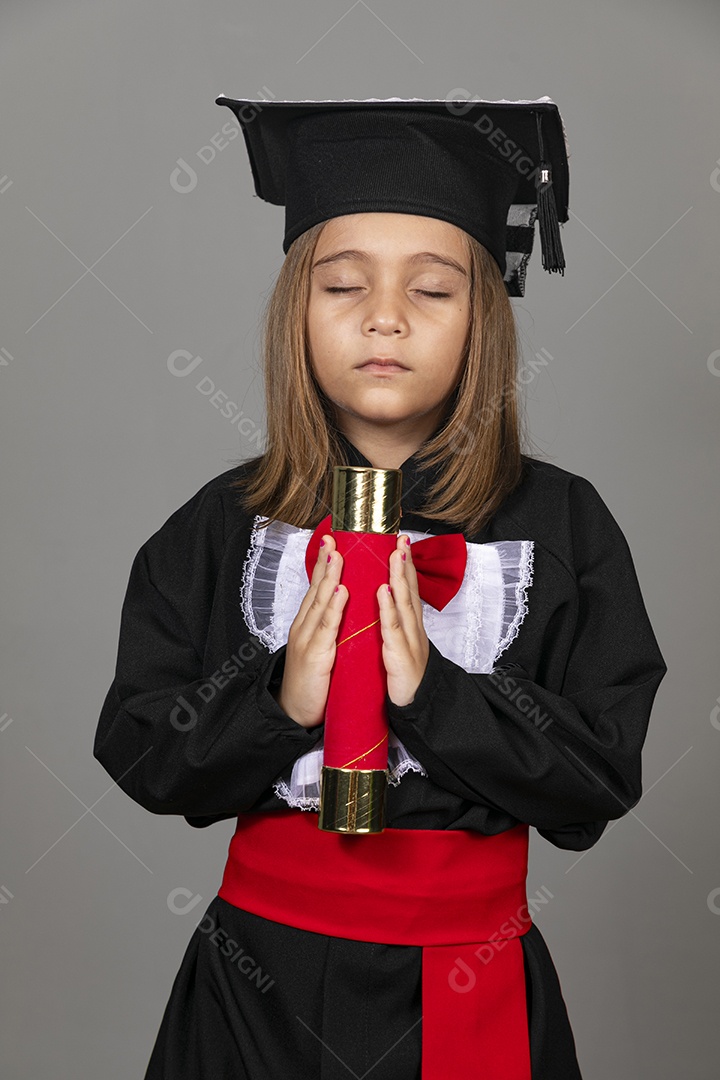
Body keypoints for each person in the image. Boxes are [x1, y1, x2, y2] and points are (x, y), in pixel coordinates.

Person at [93, 97, 668, 1080]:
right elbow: (144, 752)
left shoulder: (563, 526)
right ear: (295, 311)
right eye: (343, 285)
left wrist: (435, 692)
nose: (385, 317)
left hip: (466, 977)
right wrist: (284, 700)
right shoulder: (222, 524)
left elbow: (598, 780)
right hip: (253, 989)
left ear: (483, 315)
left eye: (434, 291)